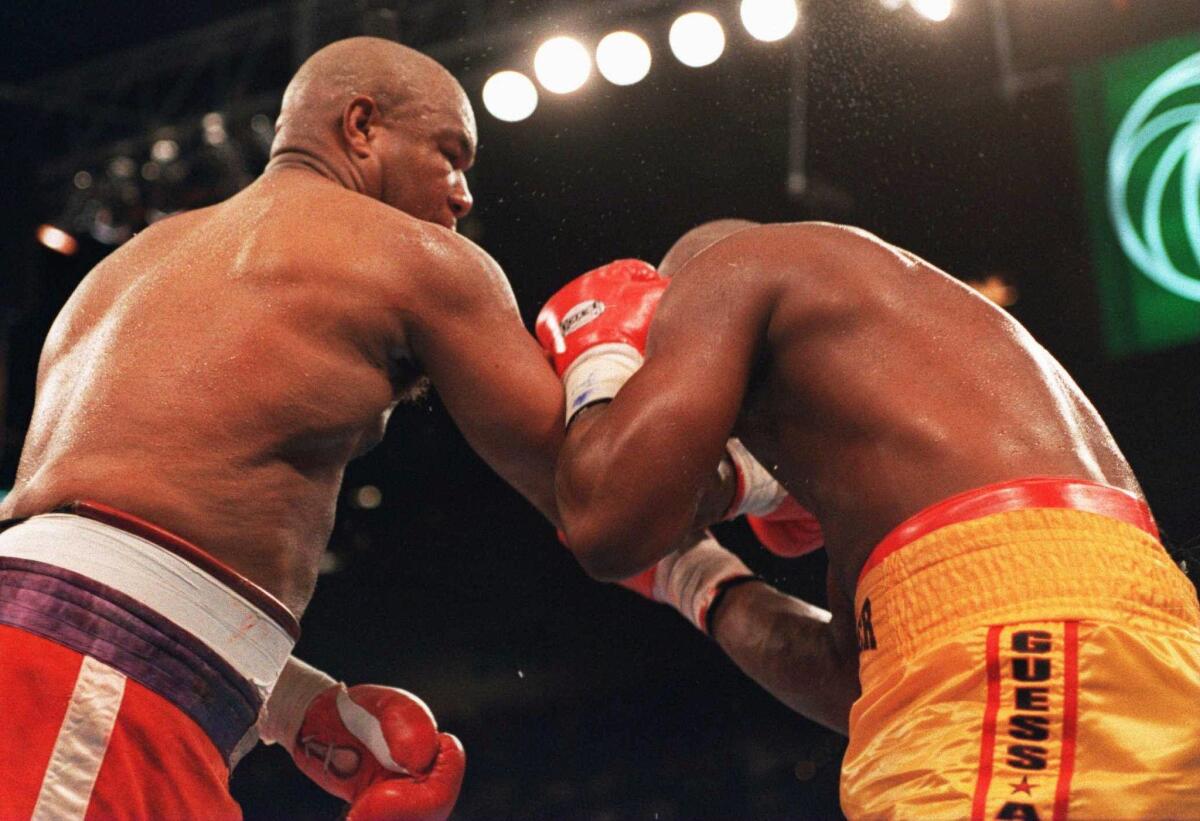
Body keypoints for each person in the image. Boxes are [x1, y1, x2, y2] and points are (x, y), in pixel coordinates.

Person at [0, 36, 567, 820]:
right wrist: (618, 383)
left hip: (80, 682)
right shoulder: (413, 258)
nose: (464, 194)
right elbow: (596, 503)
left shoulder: (133, 265)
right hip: (83, 694)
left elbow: (73, 550)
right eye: (451, 155)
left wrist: (287, 697)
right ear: (361, 126)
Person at [536, 220, 1200, 818]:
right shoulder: (933, 404)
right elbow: (856, 686)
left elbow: (607, 519)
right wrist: (694, 573)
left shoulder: (732, 268)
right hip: (1117, 643)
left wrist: (603, 362)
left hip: (1033, 636)